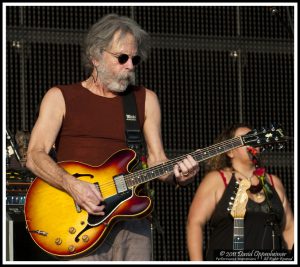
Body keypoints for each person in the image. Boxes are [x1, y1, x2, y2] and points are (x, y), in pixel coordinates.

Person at [26, 14, 199, 261]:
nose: (130, 65)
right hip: (78, 219)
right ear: (95, 57)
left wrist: (179, 176)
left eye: (135, 59)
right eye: (122, 58)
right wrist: (73, 186)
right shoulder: (60, 96)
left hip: (132, 223)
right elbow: (34, 156)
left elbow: (158, 161)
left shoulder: (145, 99)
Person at [186, 123, 294, 261]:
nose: (253, 142)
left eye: (255, 138)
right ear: (230, 152)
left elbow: (289, 228)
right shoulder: (217, 180)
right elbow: (195, 222)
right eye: (246, 139)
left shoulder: (274, 182)